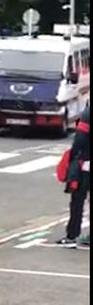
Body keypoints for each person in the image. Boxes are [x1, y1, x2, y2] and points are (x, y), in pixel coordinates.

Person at [58, 104, 90, 247]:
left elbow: (80, 139)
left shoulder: (88, 114)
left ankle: (72, 236)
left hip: (86, 164)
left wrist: (73, 157)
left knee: (77, 200)